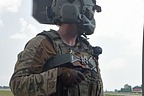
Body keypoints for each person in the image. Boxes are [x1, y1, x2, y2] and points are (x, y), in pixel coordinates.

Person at [9, 0, 104, 96]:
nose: (91, 17)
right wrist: (57, 76)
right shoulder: (42, 44)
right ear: (71, 10)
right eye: (89, 11)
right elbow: (17, 84)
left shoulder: (87, 50)